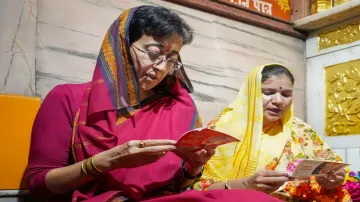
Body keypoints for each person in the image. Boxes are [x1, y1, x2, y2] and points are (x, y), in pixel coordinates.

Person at [26, 6, 281, 202]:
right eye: (154, 53)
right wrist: (104, 162)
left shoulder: (181, 109)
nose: (161, 68)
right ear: (122, 47)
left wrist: (194, 166)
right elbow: (39, 185)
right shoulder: (69, 98)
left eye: (171, 59)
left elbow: (181, 186)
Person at [194, 64, 351, 201]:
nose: (278, 101)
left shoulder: (301, 131)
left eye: (286, 94)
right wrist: (246, 184)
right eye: (268, 92)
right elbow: (197, 187)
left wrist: (332, 181)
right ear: (251, 93)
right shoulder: (221, 129)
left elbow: (335, 172)